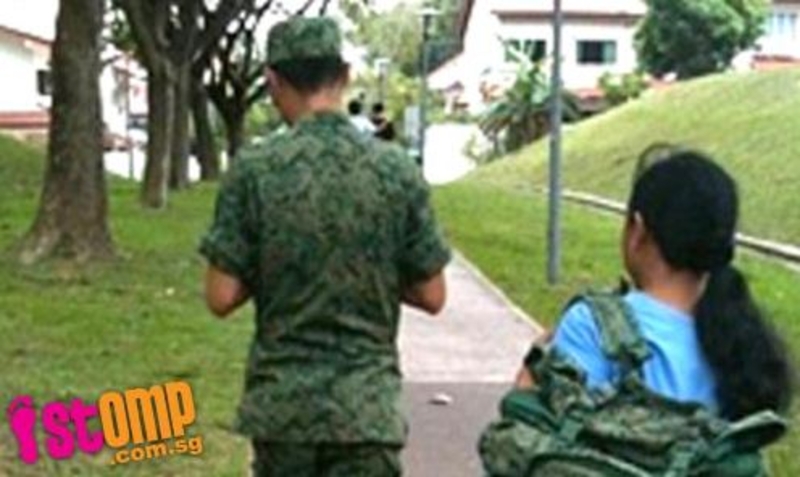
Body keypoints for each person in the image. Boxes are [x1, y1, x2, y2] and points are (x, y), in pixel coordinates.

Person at [199, 16, 451, 476]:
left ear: (273, 81)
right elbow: (433, 295)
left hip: (283, 412)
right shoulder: (396, 171)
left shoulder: (253, 171)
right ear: (345, 75)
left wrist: (280, 267)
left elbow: (220, 296)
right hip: (367, 411)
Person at [517, 147, 794, 421]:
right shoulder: (742, 347)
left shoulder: (592, 326)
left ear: (637, 229)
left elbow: (532, 437)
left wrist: (529, 375)